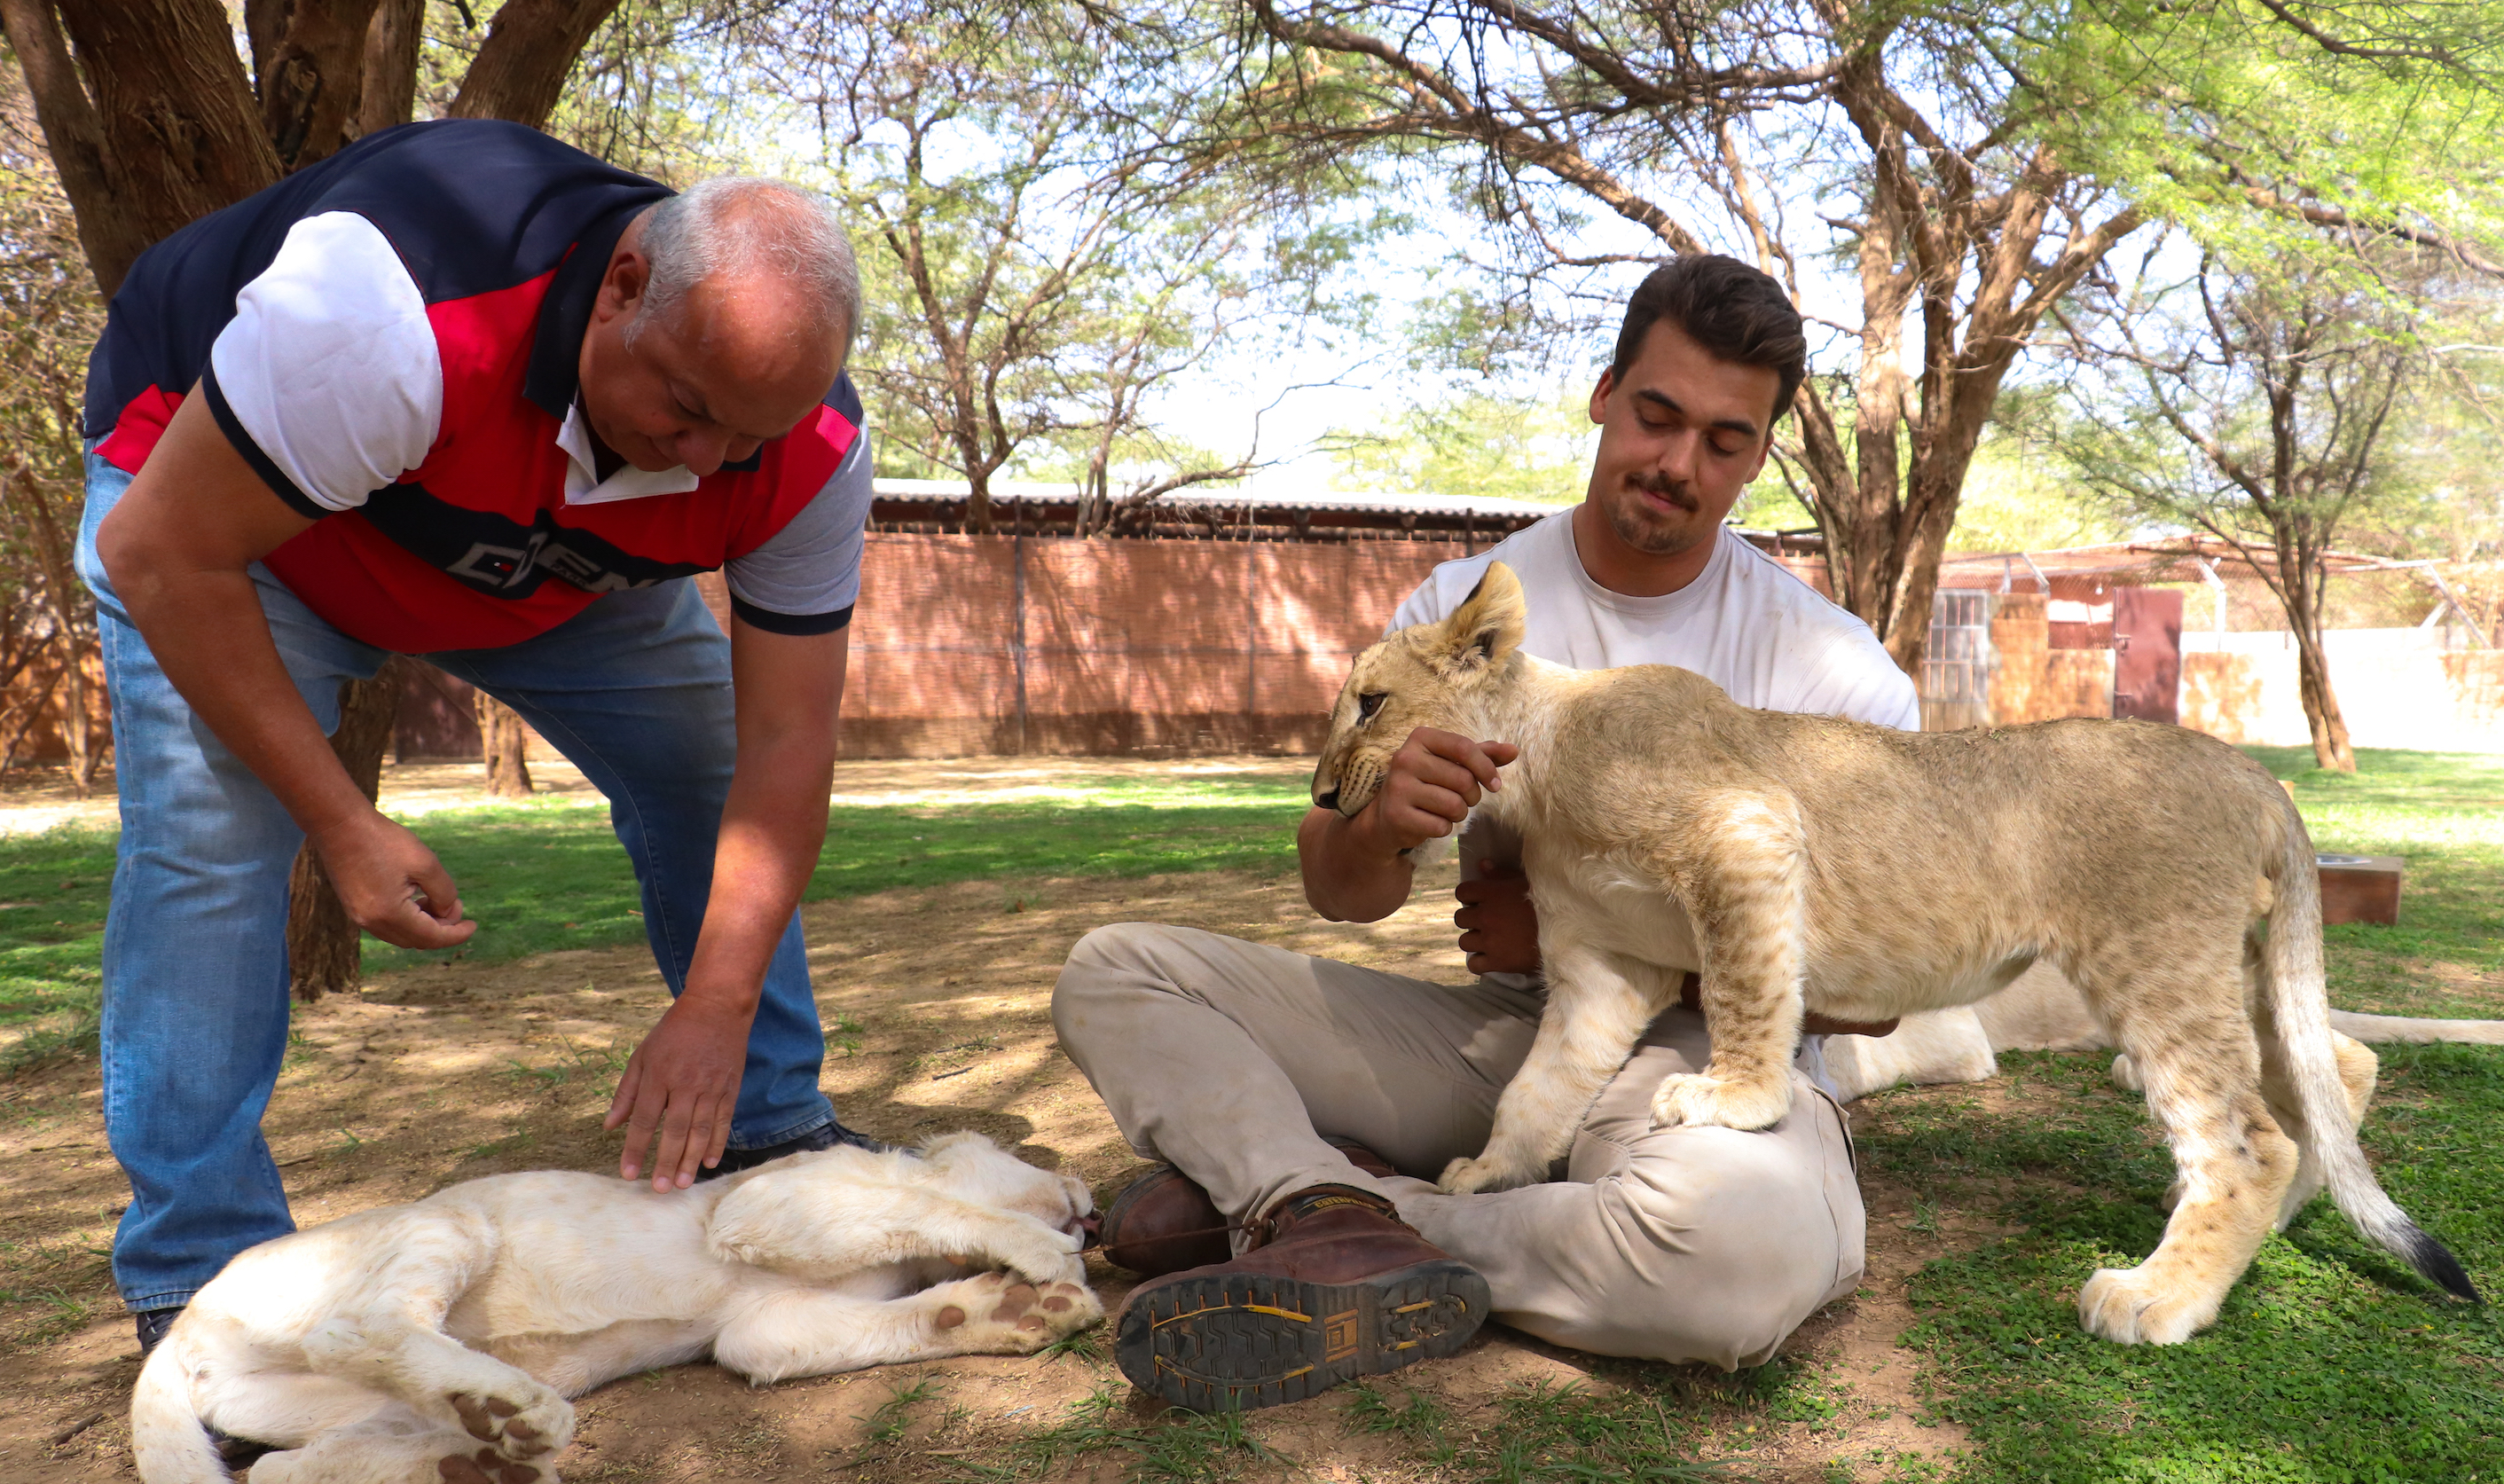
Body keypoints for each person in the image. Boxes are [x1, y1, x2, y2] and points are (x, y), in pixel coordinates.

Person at [1053, 255, 1922, 1413]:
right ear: (1604, 393)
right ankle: (1318, 1201)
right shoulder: (1461, 608)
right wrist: (1378, 827)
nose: (1679, 463)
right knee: (1115, 972)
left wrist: (1597, 925)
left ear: (1759, 455)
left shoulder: (1829, 670)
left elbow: (1879, 992)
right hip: (1496, 1042)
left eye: (1725, 441)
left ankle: (1346, 1216)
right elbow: (1337, 886)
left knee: (1738, 1258)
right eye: (1657, 416)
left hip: (1699, 1068)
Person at [79, 119, 875, 1353]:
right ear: (621, 287)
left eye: (746, 439)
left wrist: (719, 1003)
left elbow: (785, 743)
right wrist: (341, 822)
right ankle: (202, 1275)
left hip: (549, 564)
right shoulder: (391, 308)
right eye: (687, 409)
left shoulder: (810, 452)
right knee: (209, 840)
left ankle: (770, 1125)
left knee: (703, 762)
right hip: (244, 538)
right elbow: (161, 554)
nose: (708, 460)